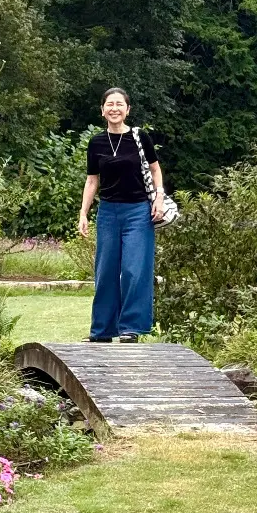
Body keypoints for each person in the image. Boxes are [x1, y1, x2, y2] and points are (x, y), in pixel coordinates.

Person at [77, 88, 166, 343]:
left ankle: (130, 328)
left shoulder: (140, 137)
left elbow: (155, 170)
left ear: (127, 110)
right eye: (109, 104)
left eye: (119, 104)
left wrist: (159, 197)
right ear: (102, 110)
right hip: (108, 212)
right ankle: (102, 331)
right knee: (105, 271)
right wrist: (83, 213)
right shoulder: (96, 143)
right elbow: (92, 180)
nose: (114, 108)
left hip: (138, 212)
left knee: (133, 270)